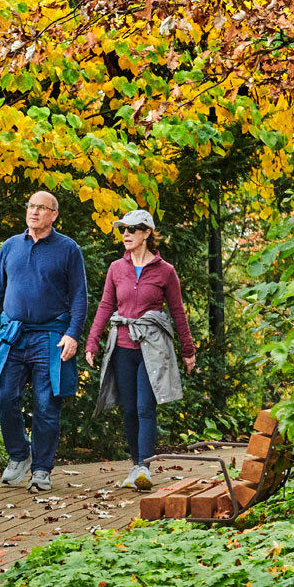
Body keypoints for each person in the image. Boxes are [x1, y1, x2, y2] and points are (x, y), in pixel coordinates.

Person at [0, 192, 89, 493]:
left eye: (41, 208)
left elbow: (79, 296)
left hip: (51, 336)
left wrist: (73, 334)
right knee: (4, 395)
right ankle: (20, 454)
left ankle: (42, 470)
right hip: (12, 335)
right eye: (31, 206)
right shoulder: (11, 246)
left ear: (54, 215)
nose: (34, 212)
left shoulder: (68, 249)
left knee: (47, 404)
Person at [85, 209, 196, 491]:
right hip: (122, 347)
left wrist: (188, 350)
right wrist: (92, 341)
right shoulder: (116, 268)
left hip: (152, 349)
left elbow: (178, 312)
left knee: (146, 407)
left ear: (147, 233)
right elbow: (106, 306)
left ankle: (144, 467)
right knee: (130, 410)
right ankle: (135, 465)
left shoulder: (165, 272)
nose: (126, 235)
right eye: (123, 229)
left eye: (132, 230)